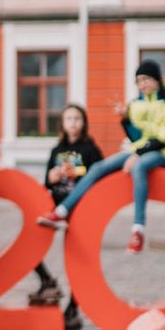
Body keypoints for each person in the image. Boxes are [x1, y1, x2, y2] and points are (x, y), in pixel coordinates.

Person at [38, 60, 165, 254]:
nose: (142, 84)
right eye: (139, 81)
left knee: (138, 167)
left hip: (162, 153)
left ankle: (138, 230)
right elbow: (136, 137)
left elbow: (164, 139)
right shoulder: (136, 104)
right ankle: (61, 212)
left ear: (156, 79)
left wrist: (138, 155)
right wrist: (125, 119)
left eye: (146, 79)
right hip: (139, 151)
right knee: (98, 168)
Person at [33, 104, 102, 307]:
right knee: (31, 236)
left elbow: (100, 176)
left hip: (80, 208)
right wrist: (52, 177)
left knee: (78, 258)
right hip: (56, 204)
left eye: (77, 118)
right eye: (69, 118)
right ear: (62, 123)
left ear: (84, 123)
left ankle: (74, 304)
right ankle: (46, 280)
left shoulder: (90, 149)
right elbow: (47, 181)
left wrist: (78, 173)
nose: (73, 122)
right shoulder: (57, 149)